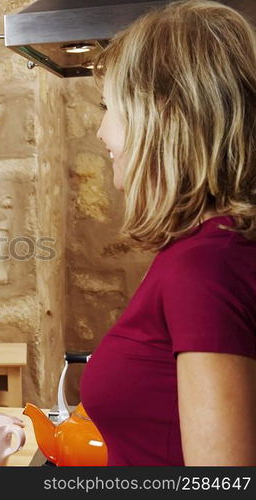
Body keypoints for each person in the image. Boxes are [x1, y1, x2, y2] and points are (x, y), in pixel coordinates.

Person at [81, 0, 256, 466]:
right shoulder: (216, 246)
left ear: (162, 113)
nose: (101, 133)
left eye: (109, 107)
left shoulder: (205, 266)